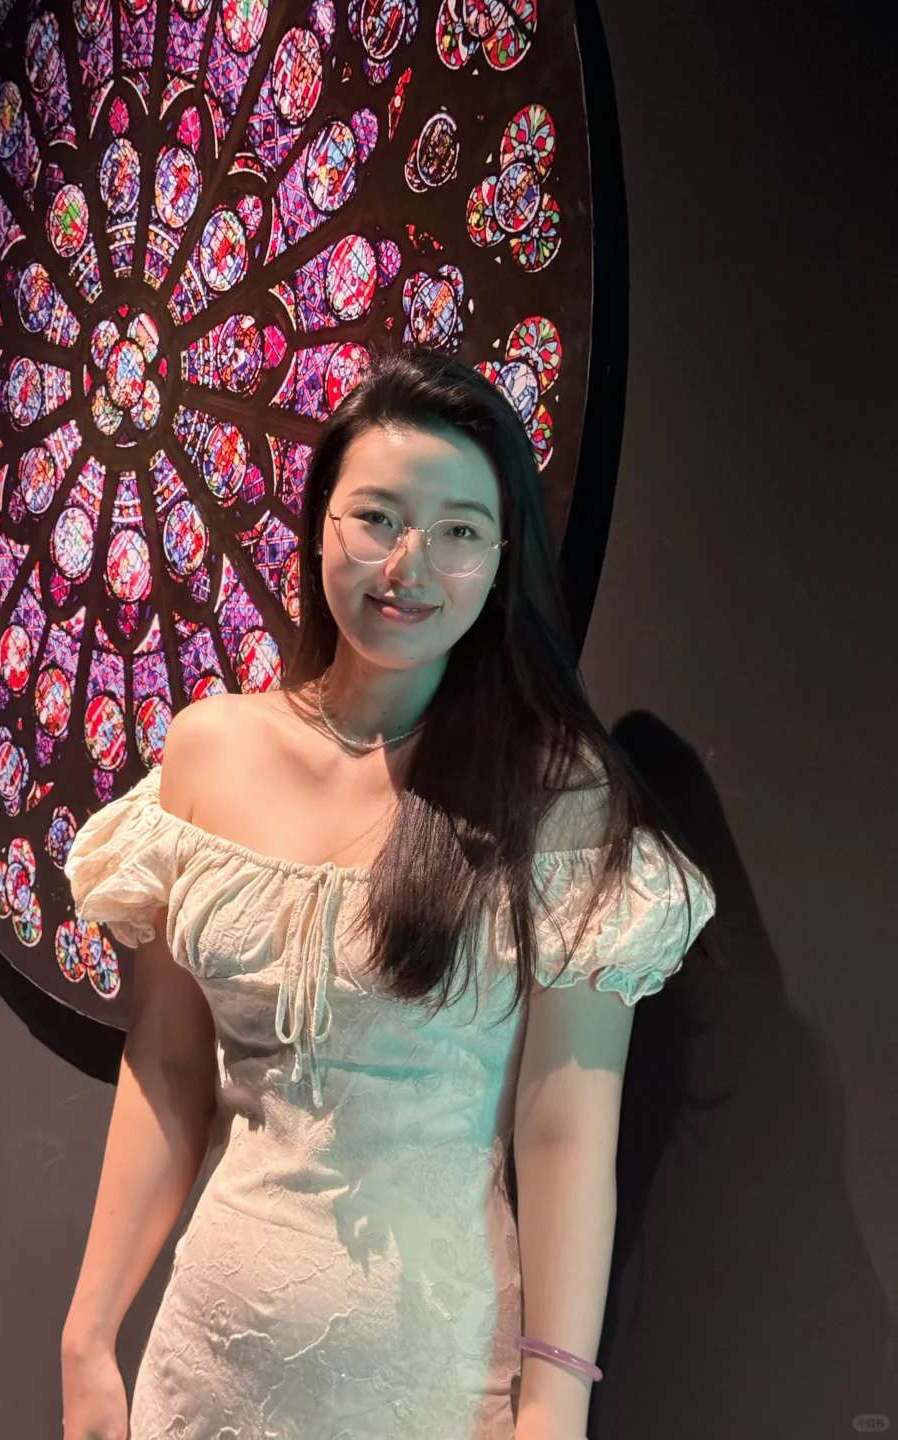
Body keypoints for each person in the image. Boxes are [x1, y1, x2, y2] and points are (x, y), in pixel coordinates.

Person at [60, 347, 717, 1440]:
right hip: (205, 1367)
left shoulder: (555, 798)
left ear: (501, 561)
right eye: (377, 517)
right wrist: (89, 1335)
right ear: (321, 523)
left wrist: (553, 1410)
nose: (410, 564)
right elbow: (169, 1064)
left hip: (428, 1383)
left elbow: (563, 1134)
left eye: (459, 530)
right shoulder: (211, 751)